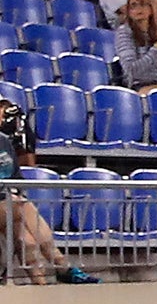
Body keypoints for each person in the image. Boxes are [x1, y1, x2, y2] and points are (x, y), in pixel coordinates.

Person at [1, 90, 99, 285]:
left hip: (8, 201)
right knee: (18, 207)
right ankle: (63, 266)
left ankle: (42, 285)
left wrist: (13, 193)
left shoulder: (3, 141)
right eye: (3, 112)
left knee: (27, 239)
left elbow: (16, 177)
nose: (6, 117)